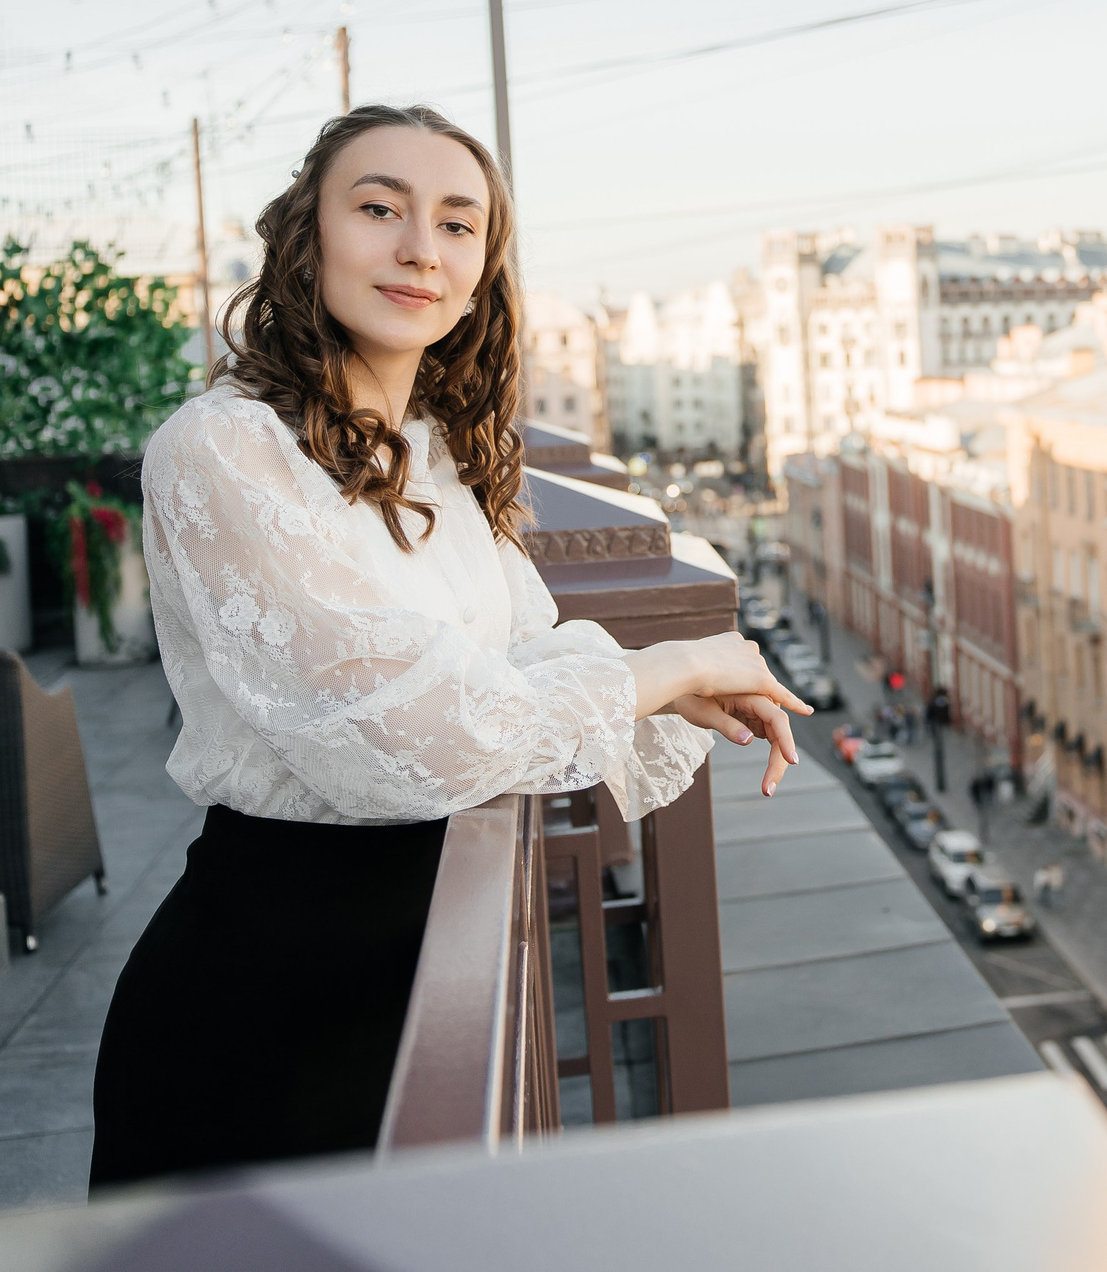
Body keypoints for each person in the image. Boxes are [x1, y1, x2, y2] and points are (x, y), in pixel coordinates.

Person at [89, 106, 811, 1192]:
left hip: (431, 965)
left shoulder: (432, 459)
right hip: (270, 990)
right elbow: (425, 735)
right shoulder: (222, 447)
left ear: (483, 270)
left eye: (458, 223)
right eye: (379, 208)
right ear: (307, 239)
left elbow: (521, 668)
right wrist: (667, 669)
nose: (421, 246)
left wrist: (616, 686)